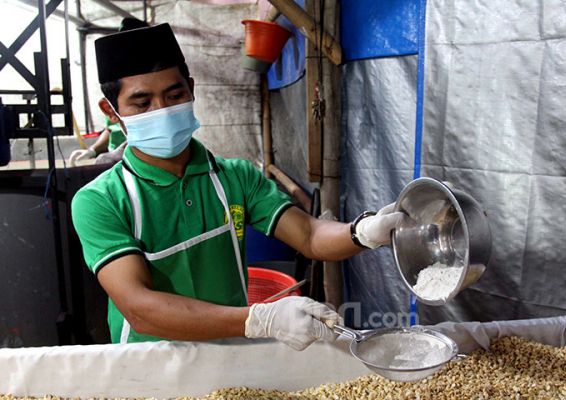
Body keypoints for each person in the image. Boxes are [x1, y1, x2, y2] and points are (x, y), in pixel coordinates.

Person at [71, 23, 404, 350]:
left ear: (190, 89)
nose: (163, 111)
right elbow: (140, 308)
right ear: (111, 111)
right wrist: (260, 320)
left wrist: (364, 232)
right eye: (142, 104)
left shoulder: (236, 177)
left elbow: (310, 235)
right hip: (150, 362)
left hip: (229, 351)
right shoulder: (100, 201)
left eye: (174, 95)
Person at [69, 18, 149, 166]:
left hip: (140, 160)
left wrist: (125, 153)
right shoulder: (115, 83)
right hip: (116, 160)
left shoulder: (154, 85)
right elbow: (112, 128)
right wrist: (93, 150)